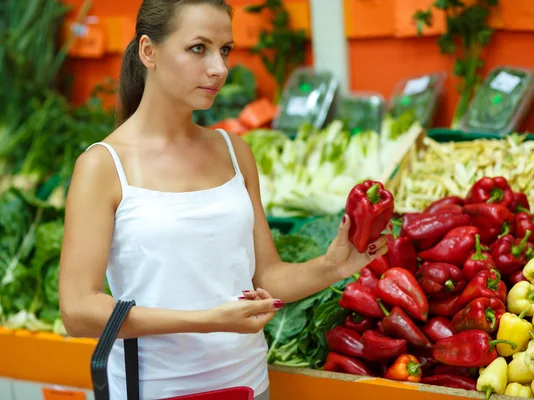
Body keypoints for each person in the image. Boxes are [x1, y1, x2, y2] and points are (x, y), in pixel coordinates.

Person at [58, 0, 389, 399]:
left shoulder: (234, 151)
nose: (219, 67)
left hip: (247, 384)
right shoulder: (102, 165)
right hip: (153, 390)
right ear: (149, 52)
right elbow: (77, 310)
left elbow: (267, 278)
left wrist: (333, 266)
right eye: (198, 48)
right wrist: (207, 320)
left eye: (225, 49)